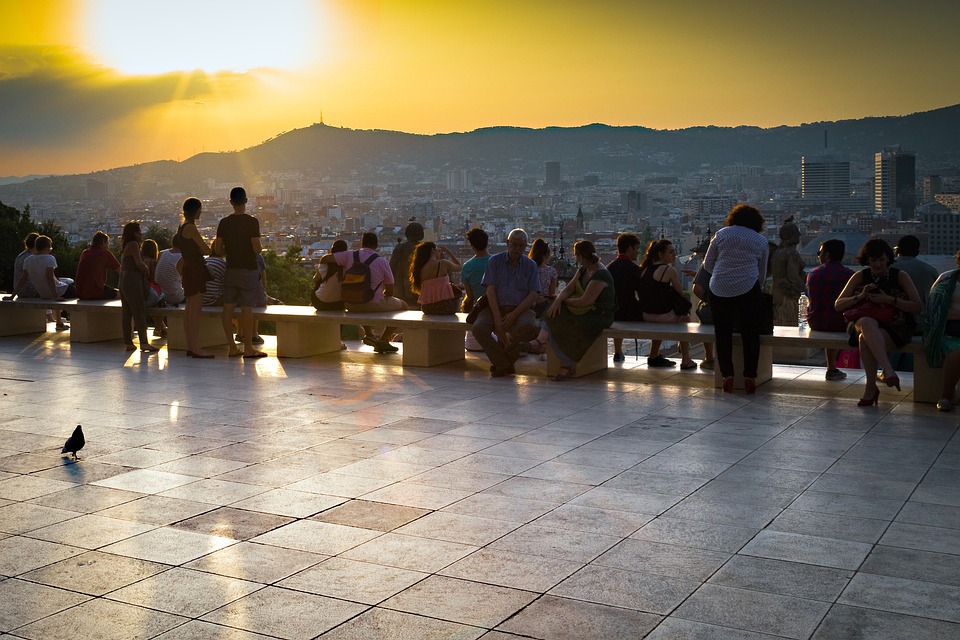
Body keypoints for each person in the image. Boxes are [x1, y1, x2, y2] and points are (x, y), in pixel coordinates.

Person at [836, 238, 922, 406]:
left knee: (864, 339)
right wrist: (859, 297)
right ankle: (888, 370)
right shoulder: (861, 276)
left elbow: (917, 307)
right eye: (873, 261)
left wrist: (889, 299)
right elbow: (838, 305)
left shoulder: (900, 276)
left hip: (894, 327)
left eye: (881, 260)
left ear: (888, 259)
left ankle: (870, 388)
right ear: (867, 261)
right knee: (867, 322)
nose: (877, 265)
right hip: (864, 323)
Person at [703, 204, 769, 394]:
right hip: (748, 287)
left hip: (719, 287)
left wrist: (723, 273)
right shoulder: (760, 240)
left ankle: (727, 375)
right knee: (751, 333)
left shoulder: (722, 234)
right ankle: (750, 376)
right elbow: (762, 272)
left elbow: (708, 264)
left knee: (722, 333)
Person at [321, 231, 407, 353]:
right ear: (376, 245)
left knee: (362, 297)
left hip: (350, 304)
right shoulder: (382, 261)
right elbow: (390, 289)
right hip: (372, 303)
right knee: (403, 306)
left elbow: (325, 258)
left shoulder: (349, 255)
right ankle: (383, 340)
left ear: (362, 243)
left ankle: (370, 334)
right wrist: (384, 296)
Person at [542, 240, 616, 380]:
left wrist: (562, 301)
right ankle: (563, 361)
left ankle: (543, 343)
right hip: (584, 310)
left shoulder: (600, 275)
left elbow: (584, 301)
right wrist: (558, 300)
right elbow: (569, 288)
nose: (575, 258)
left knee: (557, 319)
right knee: (554, 311)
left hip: (598, 315)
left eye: (576, 255)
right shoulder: (584, 269)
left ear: (581, 256)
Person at [471, 228, 540, 377]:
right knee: (478, 328)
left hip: (520, 309)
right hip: (495, 306)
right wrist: (497, 317)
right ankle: (504, 363)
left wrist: (514, 315)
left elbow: (533, 294)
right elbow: (490, 290)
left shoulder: (530, 265)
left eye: (521, 245)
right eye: (514, 244)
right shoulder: (495, 261)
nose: (517, 249)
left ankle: (502, 362)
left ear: (526, 246)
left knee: (527, 326)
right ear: (507, 243)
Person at [214, 187, 265, 358]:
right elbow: (256, 249)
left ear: (231, 202)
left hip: (231, 269)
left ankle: (232, 347)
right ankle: (249, 348)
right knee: (247, 309)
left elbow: (218, 249)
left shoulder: (224, 223)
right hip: (248, 270)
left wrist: (230, 252)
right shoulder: (252, 222)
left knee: (227, 309)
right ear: (246, 201)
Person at [638, 238, 696, 370]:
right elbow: (680, 293)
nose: (674, 255)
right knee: (685, 317)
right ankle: (686, 359)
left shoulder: (644, 269)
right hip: (662, 316)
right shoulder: (668, 270)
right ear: (660, 254)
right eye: (671, 252)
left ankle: (653, 355)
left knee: (661, 318)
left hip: (646, 315)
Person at [806, 239, 854, 380]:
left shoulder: (813, 274)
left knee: (828, 314)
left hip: (816, 322)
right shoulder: (850, 275)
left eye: (819, 253)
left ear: (826, 255)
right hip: (841, 324)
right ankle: (832, 368)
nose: (818, 256)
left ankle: (831, 368)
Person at [11, 234, 76, 330]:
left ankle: (60, 322)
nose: (50, 249)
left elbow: (22, 279)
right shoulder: (49, 258)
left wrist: (12, 296)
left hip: (42, 293)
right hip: (56, 291)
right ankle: (69, 320)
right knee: (77, 291)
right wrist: (55, 297)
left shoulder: (27, 259)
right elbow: (49, 278)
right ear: (46, 248)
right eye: (50, 247)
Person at [175, 197, 214, 358]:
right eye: (200, 209)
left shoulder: (181, 227)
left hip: (188, 269)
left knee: (190, 309)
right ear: (195, 210)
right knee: (195, 310)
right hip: (195, 269)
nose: (201, 212)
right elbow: (205, 250)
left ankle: (191, 346)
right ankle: (196, 347)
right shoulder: (190, 228)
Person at [924, 251, 960, 411]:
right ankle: (946, 395)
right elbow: (933, 307)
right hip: (949, 331)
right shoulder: (947, 279)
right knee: (956, 354)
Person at [118, 223, 158, 353]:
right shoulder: (134, 245)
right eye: (139, 231)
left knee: (127, 312)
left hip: (123, 281)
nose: (141, 234)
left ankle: (128, 342)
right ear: (135, 233)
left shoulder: (126, 246)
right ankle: (144, 343)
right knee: (139, 311)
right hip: (133, 281)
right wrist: (146, 270)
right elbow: (139, 263)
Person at [607, 233, 644, 363]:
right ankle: (654, 354)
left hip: (612, 313)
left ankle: (618, 351)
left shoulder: (610, 268)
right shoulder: (635, 269)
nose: (638, 252)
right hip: (631, 312)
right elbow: (642, 294)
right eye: (636, 248)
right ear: (630, 249)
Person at [410, 241, 462, 315]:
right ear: (433, 250)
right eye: (438, 250)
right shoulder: (443, 263)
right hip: (446, 306)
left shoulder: (419, 269)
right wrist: (448, 252)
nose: (439, 252)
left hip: (427, 307)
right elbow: (459, 267)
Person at [770, 218, 806, 326]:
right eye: (797, 232)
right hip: (789, 299)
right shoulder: (791, 253)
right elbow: (794, 277)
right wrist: (806, 292)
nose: (799, 234)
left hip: (776, 297)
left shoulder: (777, 252)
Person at [894, 235, 938, 320]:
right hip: (923, 323)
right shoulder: (931, 270)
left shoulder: (886, 269)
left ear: (897, 250)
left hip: (893, 323)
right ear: (917, 252)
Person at [75, 230, 120, 300]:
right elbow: (120, 271)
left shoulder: (85, 252)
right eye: (107, 243)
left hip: (80, 292)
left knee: (113, 290)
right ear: (103, 243)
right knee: (123, 295)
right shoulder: (105, 253)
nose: (108, 246)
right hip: (95, 292)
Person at [390, 221, 425, 308]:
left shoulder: (400, 248)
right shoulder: (428, 248)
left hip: (403, 291)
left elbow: (391, 268)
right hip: (424, 291)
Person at [690, 265, 716, 370]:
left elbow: (697, 289)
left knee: (704, 310)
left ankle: (709, 358)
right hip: (739, 310)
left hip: (713, 312)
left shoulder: (709, 262)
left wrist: (708, 300)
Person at [312, 240, 349, 310]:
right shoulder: (347, 267)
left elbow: (315, 280)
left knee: (319, 281)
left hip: (320, 303)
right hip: (339, 304)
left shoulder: (325, 265)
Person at [461, 227, 490, 313]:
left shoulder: (467, 266)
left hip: (480, 308)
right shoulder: (496, 262)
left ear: (472, 246)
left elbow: (470, 296)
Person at [12, 232, 40, 299]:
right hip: (31, 291)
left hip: (20, 291)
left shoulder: (21, 256)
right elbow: (24, 277)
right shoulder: (32, 258)